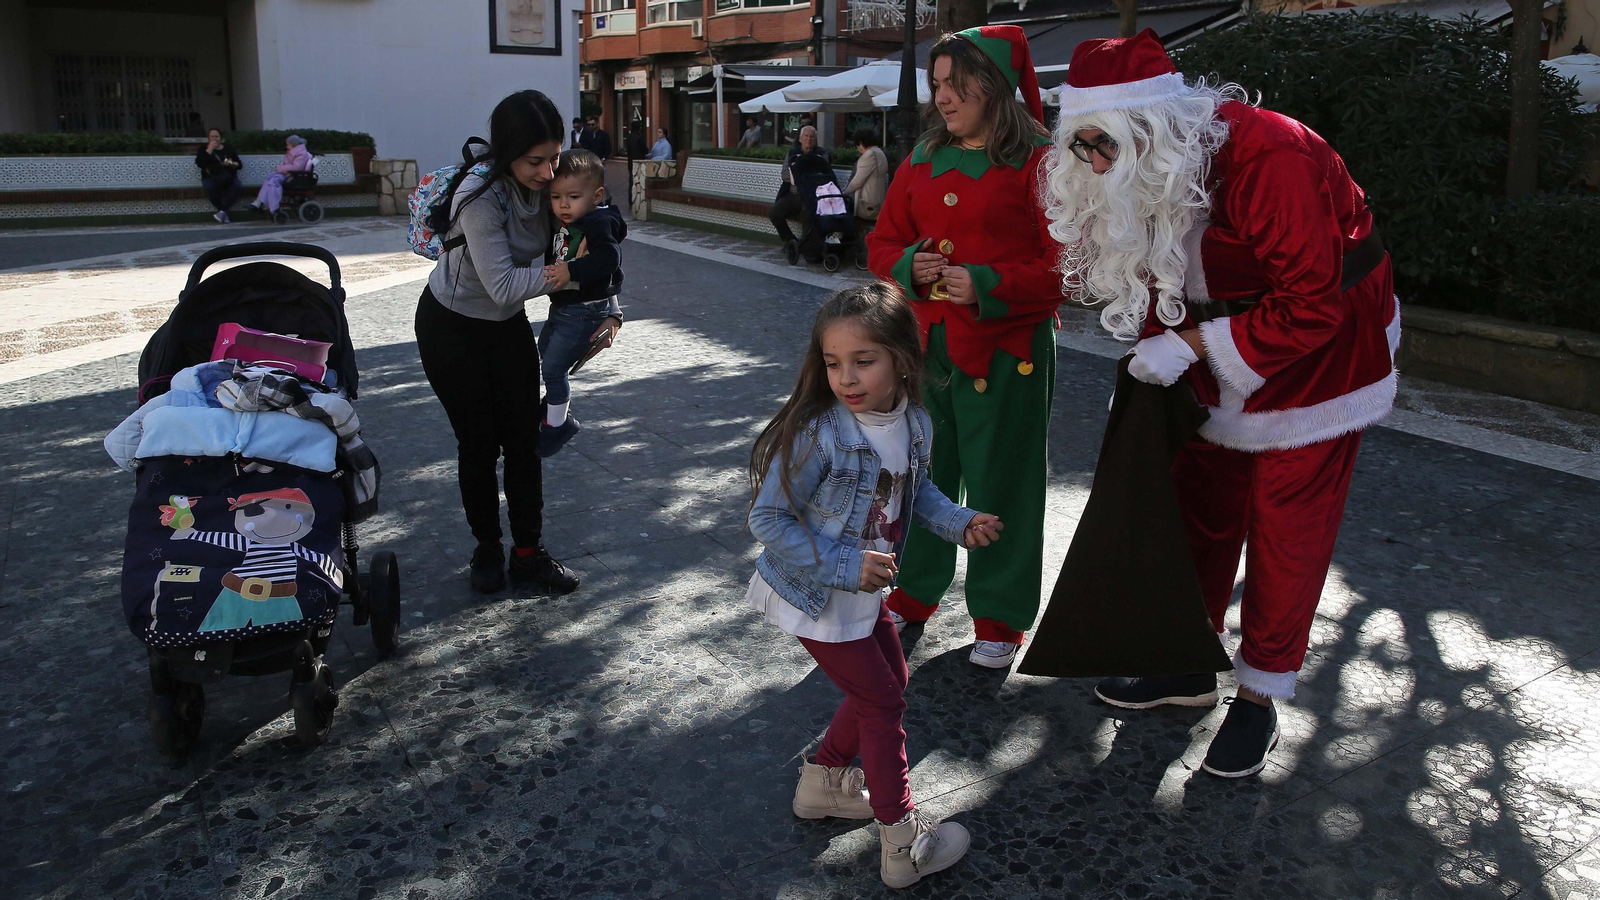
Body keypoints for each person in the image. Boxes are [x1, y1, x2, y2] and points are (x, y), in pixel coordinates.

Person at [1042, 30, 1399, 777]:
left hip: (1323, 350)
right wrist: (1164, 347)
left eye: (1104, 145)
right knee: (1198, 501)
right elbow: (1159, 267)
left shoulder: (1272, 156)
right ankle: (1186, 659)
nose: (1095, 165)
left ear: (1154, 127)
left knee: (1288, 527)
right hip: (1211, 334)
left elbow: (1312, 304)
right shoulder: (1137, 164)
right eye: (1082, 146)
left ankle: (1260, 695)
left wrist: (1194, 346)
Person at [746, 282, 1000, 889]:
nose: (847, 378)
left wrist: (961, 522)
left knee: (892, 684)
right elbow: (769, 519)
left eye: (864, 361)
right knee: (883, 704)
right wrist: (845, 565)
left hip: (862, 591)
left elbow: (917, 493)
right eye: (834, 363)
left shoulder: (914, 422)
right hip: (814, 595)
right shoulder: (820, 433)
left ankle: (823, 783)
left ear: (903, 360)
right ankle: (902, 840)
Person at [865, 26, 1065, 669]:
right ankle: (915, 591)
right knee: (921, 472)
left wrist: (986, 284)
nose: (943, 97)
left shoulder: (1042, 162)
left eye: (956, 83)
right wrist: (909, 267)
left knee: (1003, 481)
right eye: (937, 84)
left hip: (1007, 350)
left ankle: (1000, 614)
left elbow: (1069, 266)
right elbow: (882, 244)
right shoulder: (924, 156)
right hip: (926, 347)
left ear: (994, 85)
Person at [414, 90, 583, 597]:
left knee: (524, 441)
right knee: (479, 443)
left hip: (505, 325)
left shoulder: (553, 184)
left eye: (554, 157)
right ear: (507, 152)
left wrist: (609, 307)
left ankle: (528, 552)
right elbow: (505, 284)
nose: (548, 172)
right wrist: (568, 275)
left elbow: (587, 244)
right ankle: (486, 547)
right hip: (452, 327)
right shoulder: (480, 195)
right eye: (535, 161)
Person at [538, 149, 625, 457]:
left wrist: (571, 271)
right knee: (545, 353)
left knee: (553, 369)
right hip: (564, 307)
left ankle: (557, 424)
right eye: (555, 197)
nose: (563, 204)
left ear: (596, 195)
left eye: (573, 197)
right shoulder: (573, 218)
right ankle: (553, 407)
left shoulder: (598, 222)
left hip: (584, 310)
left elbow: (610, 258)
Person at [768, 125, 830, 249]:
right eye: (806, 136)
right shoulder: (792, 153)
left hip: (813, 196)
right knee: (774, 212)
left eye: (812, 136)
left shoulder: (822, 154)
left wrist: (797, 174)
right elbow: (785, 175)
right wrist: (805, 177)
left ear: (815, 139)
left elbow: (823, 176)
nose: (809, 139)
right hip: (793, 195)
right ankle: (790, 242)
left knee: (809, 214)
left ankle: (806, 246)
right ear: (800, 138)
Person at [250, 135, 313, 214]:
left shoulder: (301, 154)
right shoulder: (294, 152)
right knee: (269, 180)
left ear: (294, 144)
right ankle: (258, 203)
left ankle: (273, 207)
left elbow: (296, 167)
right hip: (288, 175)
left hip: (293, 177)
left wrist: (281, 168)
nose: (287, 146)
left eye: (288, 144)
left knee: (273, 182)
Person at [195, 128, 243, 223]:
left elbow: (239, 165)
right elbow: (200, 163)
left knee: (237, 185)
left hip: (228, 176)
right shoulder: (203, 149)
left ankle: (222, 212)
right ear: (209, 138)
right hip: (210, 177)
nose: (214, 139)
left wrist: (231, 163)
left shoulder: (228, 149)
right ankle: (223, 212)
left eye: (217, 136)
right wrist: (209, 149)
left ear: (221, 138)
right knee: (209, 187)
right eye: (212, 137)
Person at [844, 127, 888, 222]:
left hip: (867, 203)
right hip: (878, 201)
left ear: (860, 143)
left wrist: (844, 193)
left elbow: (858, 181)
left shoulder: (869, 155)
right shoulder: (880, 152)